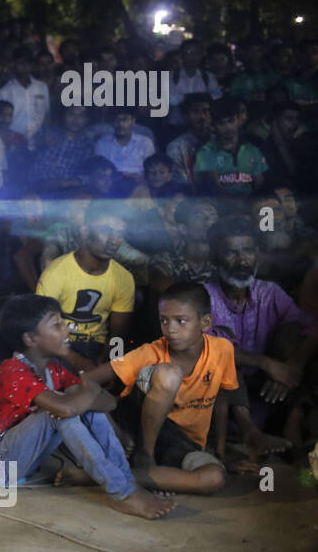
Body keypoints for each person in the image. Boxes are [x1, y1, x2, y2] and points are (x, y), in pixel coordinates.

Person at [0, 295, 175, 519]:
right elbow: (67, 409)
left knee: (78, 404)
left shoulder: (54, 371)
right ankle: (122, 494)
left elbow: (109, 402)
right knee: (60, 412)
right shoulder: (12, 372)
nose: (66, 331)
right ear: (30, 339)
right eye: (56, 325)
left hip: (25, 463)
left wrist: (86, 393)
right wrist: (88, 390)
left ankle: (128, 483)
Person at [85, 283, 250, 494]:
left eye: (181, 321)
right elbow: (86, 382)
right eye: (164, 320)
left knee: (214, 478)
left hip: (181, 443)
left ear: (205, 322)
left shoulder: (222, 350)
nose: (170, 329)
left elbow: (222, 399)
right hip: (134, 433)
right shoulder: (149, 352)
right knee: (169, 374)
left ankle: (101, 476)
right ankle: (146, 456)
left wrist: (220, 450)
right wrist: (115, 431)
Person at [204, 217, 315, 451]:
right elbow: (207, 348)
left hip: (268, 387)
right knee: (222, 360)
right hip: (221, 391)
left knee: (293, 335)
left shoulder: (269, 292)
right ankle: (251, 433)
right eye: (231, 252)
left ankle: (295, 420)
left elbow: (313, 328)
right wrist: (267, 364)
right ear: (216, 257)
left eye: (248, 251)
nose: (242, 260)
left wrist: (293, 366)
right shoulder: (203, 296)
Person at [35, 201, 134, 370]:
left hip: (96, 346)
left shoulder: (123, 278)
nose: (114, 240)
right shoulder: (56, 273)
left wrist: (110, 365)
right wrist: (79, 362)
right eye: (106, 231)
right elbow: (41, 328)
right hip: (58, 343)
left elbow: (117, 336)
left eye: (119, 234)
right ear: (85, 231)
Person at [194, 98, 268, 196]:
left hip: (250, 206)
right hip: (220, 208)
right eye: (221, 123)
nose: (228, 128)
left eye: (231, 121)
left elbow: (260, 186)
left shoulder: (252, 150)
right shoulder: (205, 153)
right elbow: (216, 189)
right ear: (213, 126)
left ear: (239, 120)